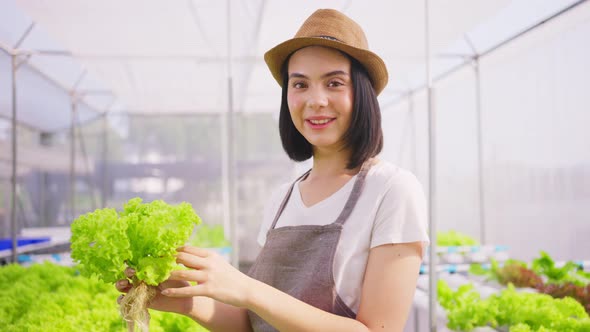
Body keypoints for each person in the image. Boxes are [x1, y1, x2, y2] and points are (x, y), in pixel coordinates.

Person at [117, 8, 429, 332]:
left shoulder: (391, 190)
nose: (316, 100)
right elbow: (254, 323)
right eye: (300, 85)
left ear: (362, 93)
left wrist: (247, 289)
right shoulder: (284, 198)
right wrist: (186, 300)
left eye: (334, 83)